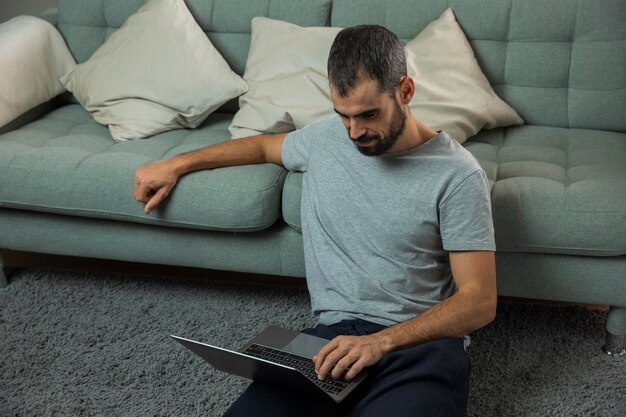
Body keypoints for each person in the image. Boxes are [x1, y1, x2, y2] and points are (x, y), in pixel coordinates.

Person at [134, 24, 497, 417]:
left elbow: (479, 301)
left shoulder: (456, 174)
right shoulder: (327, 138)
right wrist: (176, 163)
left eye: (368, 114)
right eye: (343, 115)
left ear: (405, 91)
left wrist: (383, 342)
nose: (355, 132)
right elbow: (261, 146)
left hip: (420, 347)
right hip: (329, 341)